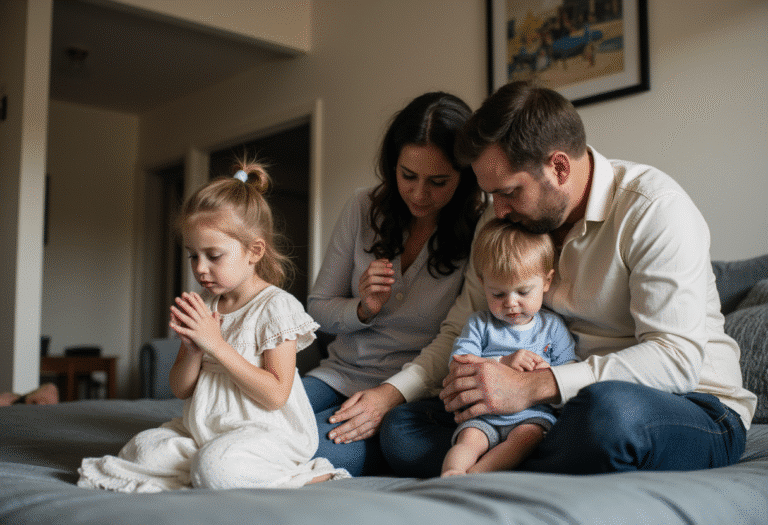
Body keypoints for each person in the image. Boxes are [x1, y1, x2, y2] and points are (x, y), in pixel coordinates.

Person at [380, 80, 757, 477]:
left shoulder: (653, 209)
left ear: (558, 167)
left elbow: (675, 360)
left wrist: (531, 387)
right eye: (491, 194)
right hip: (552, 408)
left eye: (509, 192)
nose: (499, 210)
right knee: (403, 430)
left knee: (608, 416)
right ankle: (521, 455)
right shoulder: (501, 221)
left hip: (687, 405)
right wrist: (421, 387)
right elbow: (462, 323)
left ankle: (511, 455)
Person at [78, 162, 348, 492]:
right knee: (143, 449)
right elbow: (180, 389)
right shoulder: (205, 303)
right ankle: (204, 470)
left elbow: (276, 394)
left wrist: (217, 345)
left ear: (254, 251)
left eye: (214, 255)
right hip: (206, 430)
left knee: (216, 466)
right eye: (193, 255)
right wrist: (192, 349)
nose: (200, 268)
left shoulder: (276, 307)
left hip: (265, 433)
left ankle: (301, 475)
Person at [304, 92, 486, 475]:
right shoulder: (361, 207)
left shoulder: (479, 229)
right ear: (393, 166)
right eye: (408, 176)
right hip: (339, 373)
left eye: (438, 182)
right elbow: (317, 310)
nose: (419, 194)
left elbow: (459, 337)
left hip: (413, 391)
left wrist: (389, 397)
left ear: (465, 175)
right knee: (252, 422)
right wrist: (361, 308)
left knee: (313, 452)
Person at [441, 219, 576, 477]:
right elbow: (459, 363)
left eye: (523, 292)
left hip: (531, 416)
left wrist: (549, 372)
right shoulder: (480, 324)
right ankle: (452, 474)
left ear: (547, 281)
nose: (511, 304)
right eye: (498, 294)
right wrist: (502, 362)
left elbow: (569, 369)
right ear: (483, 284)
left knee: (527, 439)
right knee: (469, 440)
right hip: (483, 414)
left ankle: (477, 476)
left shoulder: (552, 326)